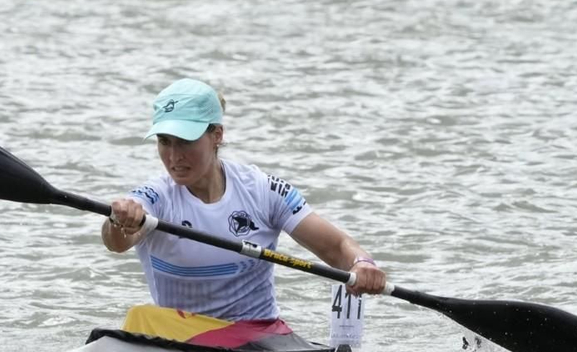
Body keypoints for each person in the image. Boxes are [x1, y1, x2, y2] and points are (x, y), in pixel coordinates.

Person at [103, 79, 388, 323]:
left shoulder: (262, 191)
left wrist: (362, 263)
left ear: (217, 135)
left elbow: (337, 247)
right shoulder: (156, 196)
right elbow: (116, 243)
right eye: (164, 142)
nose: (174, 156)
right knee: (138, 319)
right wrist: (119, 220)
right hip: (177, 337)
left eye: (186, 141)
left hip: (257, 338)